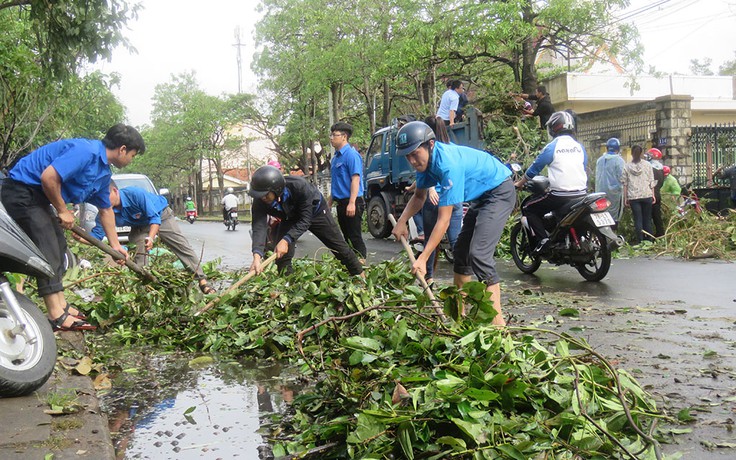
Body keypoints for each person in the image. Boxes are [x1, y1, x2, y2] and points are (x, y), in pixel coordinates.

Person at [0, 123, 144, 331]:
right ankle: (55, 315)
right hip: (20, 191)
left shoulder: (102, 172)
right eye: (132, 155)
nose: (131, 160)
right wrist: (62, 210)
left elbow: (106, 210)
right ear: (122, 149)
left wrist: (115, 247)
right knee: (48, 246)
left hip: (39, 199)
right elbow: (49, 178)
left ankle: (61, 304)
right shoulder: (85, 152)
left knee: (58, 245)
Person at [391, 121, 515, 327]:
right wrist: (402, 221)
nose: (412, 161)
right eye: (407, 156)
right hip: (481, 198)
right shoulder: (425, 165)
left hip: (499, 192)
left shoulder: (448, 165)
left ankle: (498, 325)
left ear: (430, 144)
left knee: (479, 254)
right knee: (461, 252)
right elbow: (419, 197)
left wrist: (423, 258)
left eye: (415, 154)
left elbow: (444, 219)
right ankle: (460, 316)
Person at [89, 184, 215, 294]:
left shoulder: (135, 194)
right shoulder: (105, 211)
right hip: (139, 226)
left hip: (161, 216)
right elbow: (96, 236)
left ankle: (202, 280)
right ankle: (143, 289)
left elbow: (154, 218)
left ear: (115, 191)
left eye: (106, 195)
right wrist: (80, 236)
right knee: (139, 256)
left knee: (181, 247)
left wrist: (151, 237)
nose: (104, 200)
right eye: (101, 198)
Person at [248, 165, 364, 277]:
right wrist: (257, 256)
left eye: (265, 195)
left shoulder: (299, 186)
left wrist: (286, 239)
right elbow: (259, 227)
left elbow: (305, 220)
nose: (263, 198)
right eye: (259, 195)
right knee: (282, 256)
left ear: (276, 190)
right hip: (289, 217)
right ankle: (287, 285)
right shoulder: (260, 201)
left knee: (339, 248)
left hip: (315, 213)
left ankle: (359, 275)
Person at [514, 111, 588, 253]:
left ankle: (543, 241)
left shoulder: (552, 147)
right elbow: (583, 167)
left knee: (529, 208)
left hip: (560, 196)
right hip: (581, 194)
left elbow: (534, 169)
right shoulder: (579, 147)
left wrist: (520, 183)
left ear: (554, 128)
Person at [329, 122, 367, 260]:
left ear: (344, 136)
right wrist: (329, 202)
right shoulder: (335, 158)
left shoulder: (351, 155)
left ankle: (362, 265)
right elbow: (336, 184)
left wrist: (352, 203)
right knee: (346, 237)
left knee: (354, 236)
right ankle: (352, 266)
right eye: (331, 135)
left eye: (334, 135)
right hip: (341, 203)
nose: (331, 138)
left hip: (353, 201)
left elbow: (355, 179)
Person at [622, 145, 656, 245]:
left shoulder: (626, 166)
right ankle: (649, 240)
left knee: (638, 219)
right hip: (646, 194)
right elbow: (652, 181)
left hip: (633, 196)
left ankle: (640, 240)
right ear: (641, 153)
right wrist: (653, 194)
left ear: (632, 153)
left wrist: (625, 198)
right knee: (647, 218)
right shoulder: (647, 165)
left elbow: (625, 183)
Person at [595, 138, 626, 225]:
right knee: (614, 217)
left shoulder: (599, 160)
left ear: (607, 148)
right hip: (615, 193)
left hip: (600, 192)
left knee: (602, 214)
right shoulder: (619, 161)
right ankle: (613, 235)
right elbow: (623, 177)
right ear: (618, 148)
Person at [646, 148, 665, 237]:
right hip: (657, 194)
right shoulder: (661, 168)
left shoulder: (649, 167)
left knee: (648, 217)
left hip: (650, 194)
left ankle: (648, 236)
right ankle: (660, 234)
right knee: (657, 216)